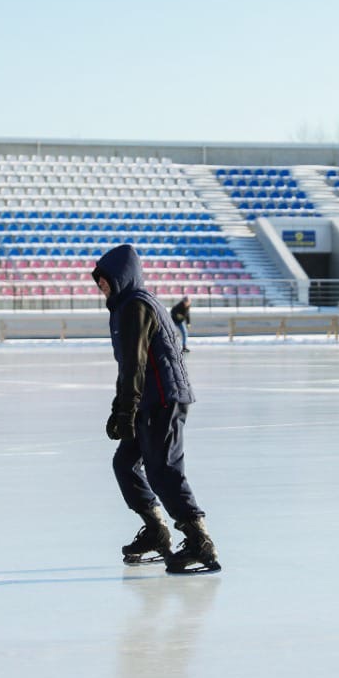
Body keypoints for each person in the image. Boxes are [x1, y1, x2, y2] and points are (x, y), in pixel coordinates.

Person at [92, 244, 220, 574]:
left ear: (120, 277)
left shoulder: (135, 306)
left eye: (104, 280)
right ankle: (156, 530)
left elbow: (136, 364)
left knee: (162, 468)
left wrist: (126, 411)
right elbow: (127, 368)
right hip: (147, 398)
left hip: (163, 398)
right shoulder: (123, 307)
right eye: (98, 282)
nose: (100, 286)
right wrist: (119, 408)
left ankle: (199, 539)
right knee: (125, 463)